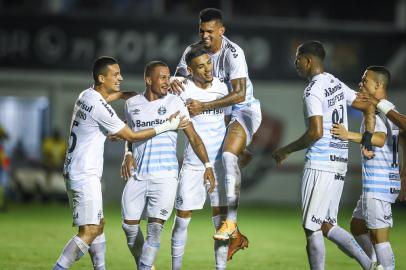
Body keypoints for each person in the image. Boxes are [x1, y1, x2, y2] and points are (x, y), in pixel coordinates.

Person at [53, 56, 187, 270]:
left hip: (78, 171)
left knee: (99, 225)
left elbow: (106, 99)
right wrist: (167, 125)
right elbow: (132, 136)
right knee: (89, 232)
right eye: (115, 74)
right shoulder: (99, 107)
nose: (120, 77)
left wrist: (123, 94)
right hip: (84, 174)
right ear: (101, 77)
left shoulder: (85, 96)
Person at [272, 41, 381, 270]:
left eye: (298, 59)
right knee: (326, 224)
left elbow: (315, 132)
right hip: (339, 161)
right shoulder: (335, 82)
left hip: (321, 163)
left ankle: (369, 266)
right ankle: (371, 266)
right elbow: (368, 105)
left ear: (309, 61)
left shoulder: (313, 90)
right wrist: (367, 136)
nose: (296, 63)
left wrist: (285, 149)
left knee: (312, 228)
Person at [171, 8, 261, 258]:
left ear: (221, 31)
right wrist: (171, 81)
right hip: (224, 117)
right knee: (229, 157)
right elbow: (180, 79)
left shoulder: (234, 53)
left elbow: (240, 94)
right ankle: (233, 233)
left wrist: (204, 106)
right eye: (202, 30)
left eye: (210, 31)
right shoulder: (193, 51)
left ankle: (231, 223)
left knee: (230, 157)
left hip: (244, 110)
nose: (205, 35)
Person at [119, 60, 215, 270]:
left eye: (168, 76)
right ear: (148, 79)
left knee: (154, 230)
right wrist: (127, 153)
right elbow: (130, 133)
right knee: (129, 228)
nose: (167, 81)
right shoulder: (132, 104)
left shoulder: (175, 103)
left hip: (166, 177)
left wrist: (207, 165)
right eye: (162, 77)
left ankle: (145, 267)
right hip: (137, 175)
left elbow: (194, 138)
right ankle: (145, 266)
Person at [331, 66, 401, 269]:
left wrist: (348, 135)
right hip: (382, 181)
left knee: (380, 239)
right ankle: (374, 265)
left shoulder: (378, 110)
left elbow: (379, 139)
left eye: (365, 80)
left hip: (378, 184)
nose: (360, 84)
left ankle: (384, 267)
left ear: (378, 85)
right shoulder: (389, 108)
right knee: (357, 225)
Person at [169, 46, 232, 270]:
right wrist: (170, 81)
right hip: (194, 165)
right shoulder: (182, 89)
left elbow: (227, 122)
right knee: (182, 221)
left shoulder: (222, 87)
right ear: (189, 70)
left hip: (219, 166)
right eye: (200, 66)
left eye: (209, 63)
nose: (207, 70)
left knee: (222, 224)